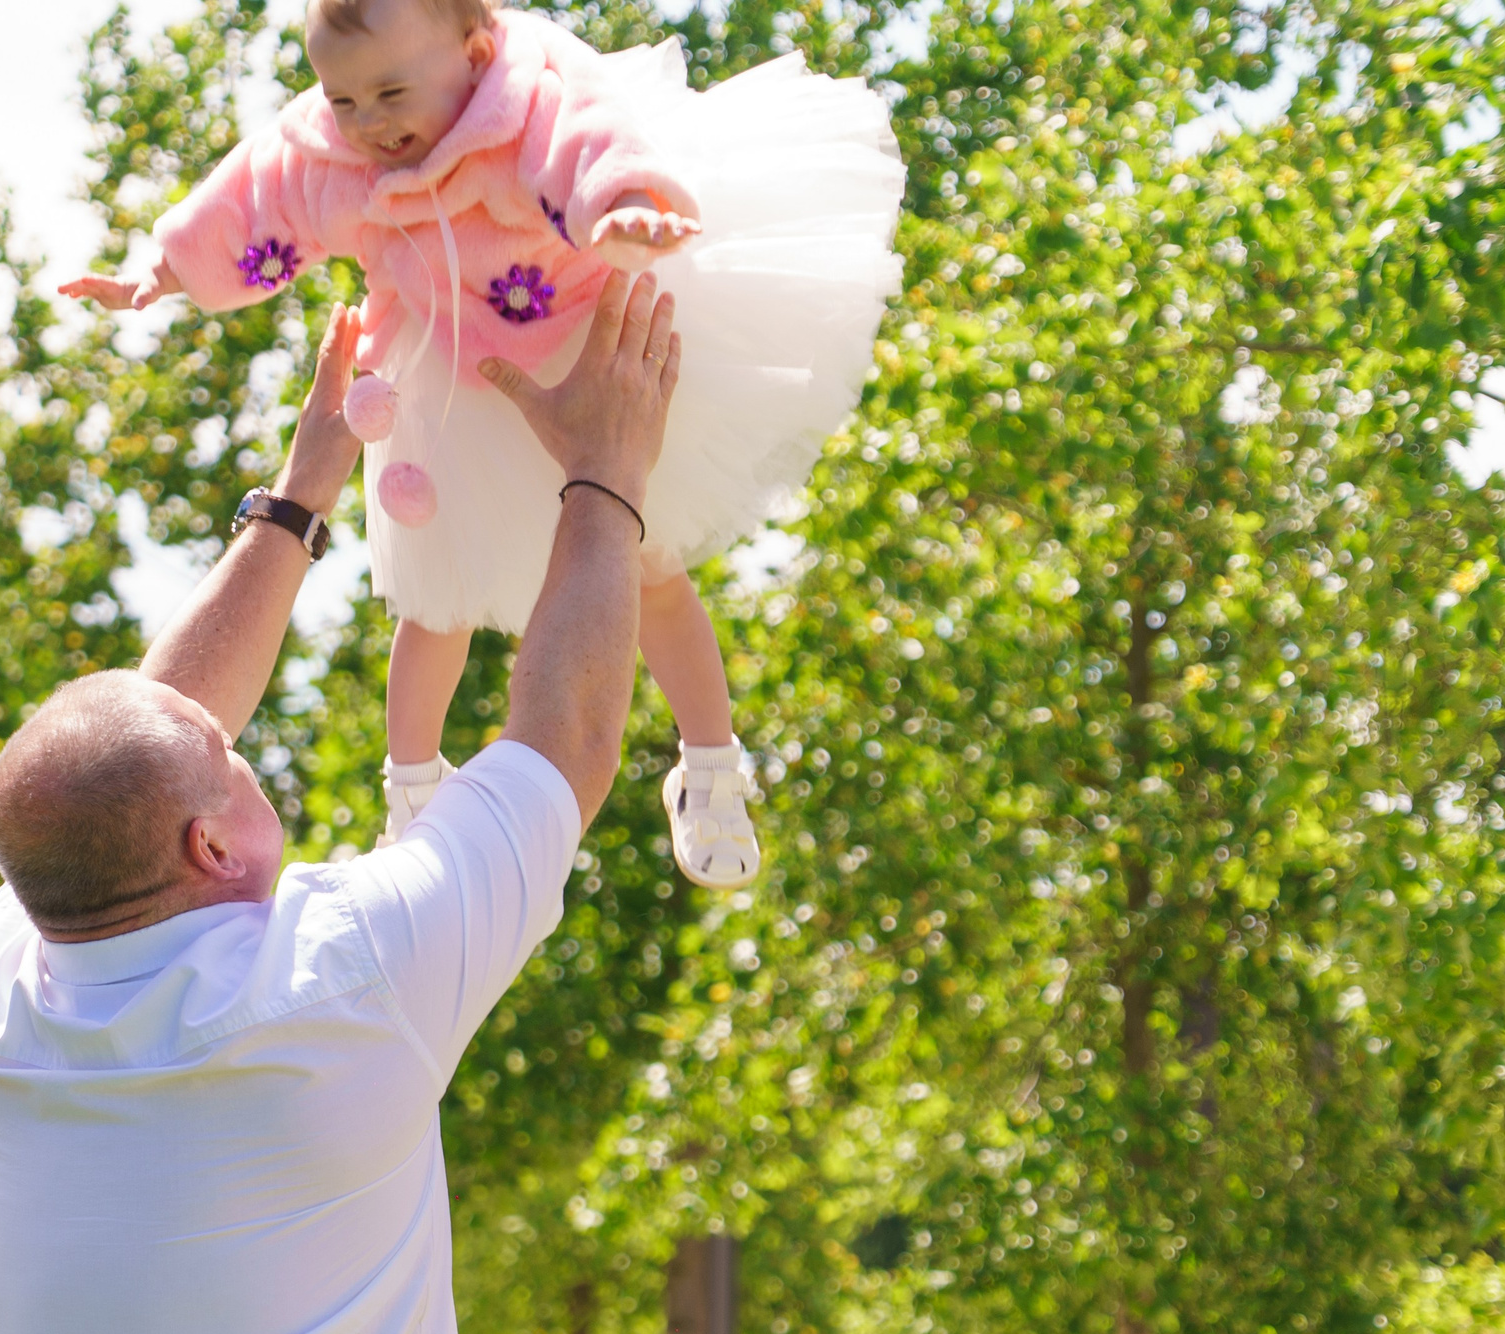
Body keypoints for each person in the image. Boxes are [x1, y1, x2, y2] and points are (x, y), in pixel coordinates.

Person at [0, 272, 681, 1334]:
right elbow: (564, 737)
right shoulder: (344, 978)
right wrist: (606, 473)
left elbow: (140, 747)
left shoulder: (0, 989)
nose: (242, 749)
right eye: (240, 770)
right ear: (214, 841)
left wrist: (300, 490)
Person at [63, 0, 902, 885]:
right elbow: (251, 198)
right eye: (344, 99)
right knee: (435, 602)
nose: (370, 122)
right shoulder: (326, 151)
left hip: (578, 349)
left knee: (647, 570)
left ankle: (711, 766)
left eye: (391, 92)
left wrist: (621, 209)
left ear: (474, 53)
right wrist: (159, 271)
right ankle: (413, 794)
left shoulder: (526, 93)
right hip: (448, 378)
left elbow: (587, 141)